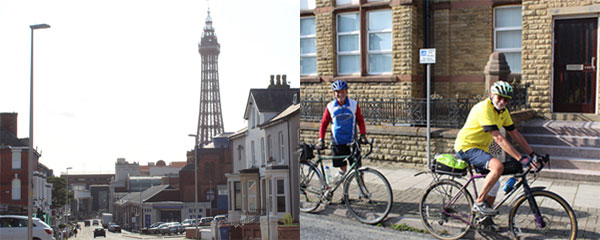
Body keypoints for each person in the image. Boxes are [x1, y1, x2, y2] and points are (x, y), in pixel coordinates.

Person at [454, 81, 542, 230]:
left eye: (506, 99)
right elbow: (498, 138)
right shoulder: (484, 108)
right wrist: (520, 158)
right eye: (499, 97)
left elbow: (515, 133)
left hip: (481, 148)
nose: (502, 101)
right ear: (491, 95)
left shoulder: (503, 112)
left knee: (495, 182)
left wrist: (532, 154)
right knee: (497, 167)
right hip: (466, 146)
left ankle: (485, 221)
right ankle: (479, 202)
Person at [317, 80, 368, 176]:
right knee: (343, 171)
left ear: (347, 92)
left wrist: (363, 134)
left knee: (358, 170)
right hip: (338, 143)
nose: (340, 95)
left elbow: (360, 120)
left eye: (343, 92)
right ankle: (342, 189)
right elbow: (324, 124)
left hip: (352, 142)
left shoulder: (354, 104)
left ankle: (362, 190)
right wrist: (321, 139)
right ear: (334, 93)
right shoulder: (330, 106)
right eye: (338, 92)